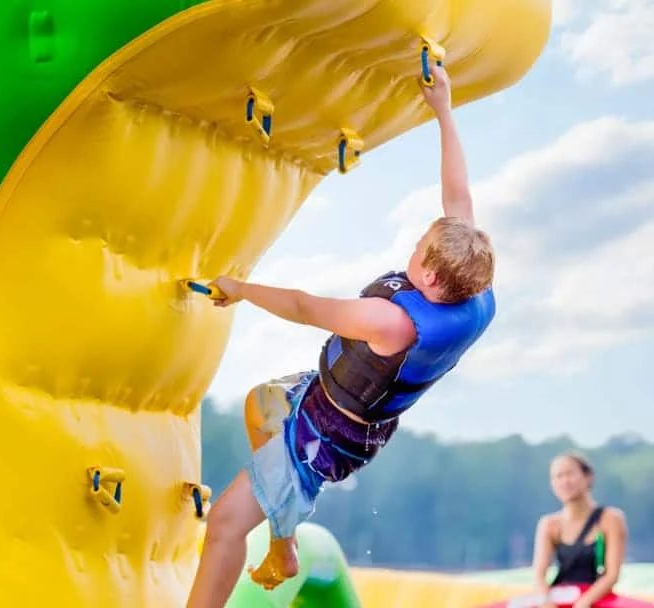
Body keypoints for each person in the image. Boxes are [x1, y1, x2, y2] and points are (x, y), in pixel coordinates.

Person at [186, 62, 497, 608]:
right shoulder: (469, 282)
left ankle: (267, 550)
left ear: (429, 278)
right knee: (261, 406)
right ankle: (285, 544)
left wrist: (240, 289)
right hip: (336, 407)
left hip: (325, 436)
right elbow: (458, 196)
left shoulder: (390, 322)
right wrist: (443, 109)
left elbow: (306, 306)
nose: (414, 246)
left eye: (419, 249)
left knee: (225, 525)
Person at [531, 452, 628, 608]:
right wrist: (547, 602)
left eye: (570, 474)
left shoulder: (611, 519)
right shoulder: (549, 524)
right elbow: (539, 576)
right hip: (559, 597)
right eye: (558, 476)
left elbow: (611, 575)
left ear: (588, 477)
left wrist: (584, 603)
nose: (565, 481)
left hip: (596, 598)